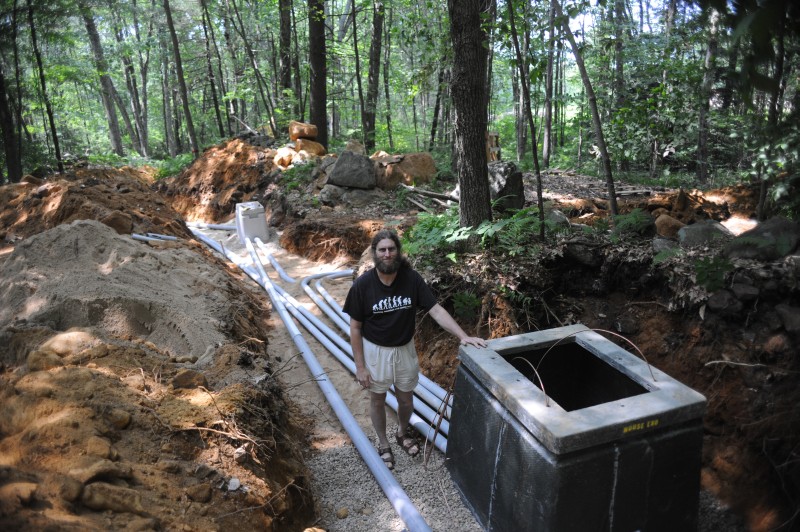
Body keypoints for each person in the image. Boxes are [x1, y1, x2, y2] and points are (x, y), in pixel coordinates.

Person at [343, 229, 487, 470]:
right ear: (374, 254)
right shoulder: (362, 286)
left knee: (406, 399)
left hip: (405, 349)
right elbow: (355, 328)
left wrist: (463, 336)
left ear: (398, 251)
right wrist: (360, 366)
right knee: (377, 399)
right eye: (382, 250)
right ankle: (383, 442)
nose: (387, 254)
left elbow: (436, 310)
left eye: (391, 249)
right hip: (376, 351)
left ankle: (401, 432)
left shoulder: (411, 279)